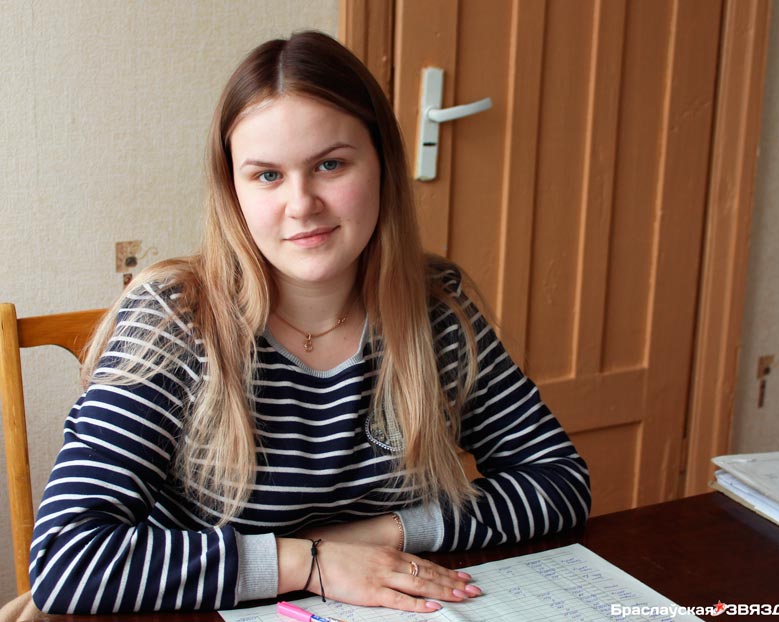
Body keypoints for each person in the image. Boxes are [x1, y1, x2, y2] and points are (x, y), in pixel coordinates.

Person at [28, 31, 591, 615]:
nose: (301, 204)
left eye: (330, 164)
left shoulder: (436, 310)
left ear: (382, 165)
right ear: (232, 190)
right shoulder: (175, 321)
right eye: (267, 175)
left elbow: (558, 480)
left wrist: (377, 537)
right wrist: (309, 562)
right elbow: (67, 559)